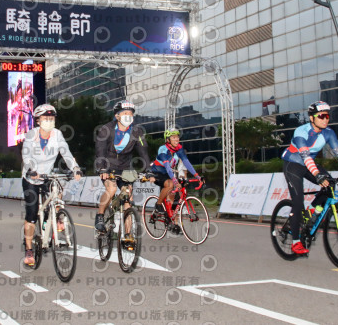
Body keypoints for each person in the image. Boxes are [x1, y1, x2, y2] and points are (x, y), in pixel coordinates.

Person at [281, 101, 338, 255]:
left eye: (327, 116)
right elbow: (306, 157)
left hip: (309, 164)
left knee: (330, 184)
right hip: (293, 165)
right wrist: (317, 175)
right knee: (298, 202)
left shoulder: (329, 133)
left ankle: (314, 211)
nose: (325, 119)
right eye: (321, 116)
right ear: (312, 118)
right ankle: (296, 242)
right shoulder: (301, 132)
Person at [21, 104, 82, 266]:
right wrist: (31, 170)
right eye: (45, 118)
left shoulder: (57, 134)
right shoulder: (31, 135)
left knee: (58, 192)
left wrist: (75, 168)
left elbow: (66, 153)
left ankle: (55, 218)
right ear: (38, 120)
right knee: (32, 214)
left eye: (52, 118)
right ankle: (29, 250)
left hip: (47, 176)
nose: (49, 121)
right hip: (31, 178)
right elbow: (26, 155)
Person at [94, 100, 153, 233]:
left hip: (125, 167)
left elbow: (143, 152)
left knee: (128, 197)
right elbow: (100, 150)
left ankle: (127, 236)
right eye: (125, 113)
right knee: (112, 189)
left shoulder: (136, 131)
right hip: (107, 165)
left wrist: (148, 170)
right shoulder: (106, 129)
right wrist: (102, 168)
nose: (128, 116)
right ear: (117, 116)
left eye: (131, 114)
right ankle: (100, 215)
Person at [150, 128, 203, 231]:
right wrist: (174, 180)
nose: (177, 139)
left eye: (177, 137)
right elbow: (167, 167)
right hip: (157, 172)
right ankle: (158, 205)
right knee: (170, 184)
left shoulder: (178, 149)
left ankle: (171, 220)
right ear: (168, 140)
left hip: (168, 173)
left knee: (173, 194)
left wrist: (197, 176)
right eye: (173, 137)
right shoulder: (163, 149)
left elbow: (187, 163)